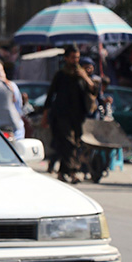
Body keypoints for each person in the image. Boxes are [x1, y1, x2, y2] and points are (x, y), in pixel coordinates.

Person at [41, 46, 96, 184]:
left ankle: (61, 172)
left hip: (78, 116)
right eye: (73, 57)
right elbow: (51, 94)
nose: (75, 60)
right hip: (61, 115)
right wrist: (45, 115)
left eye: (77, 57)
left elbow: (94, 91)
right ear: (66, 58)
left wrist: (85, 77)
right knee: (68, 143)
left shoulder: (81, 75)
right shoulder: (61, 74)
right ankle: (73, 172)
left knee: (75, 143)